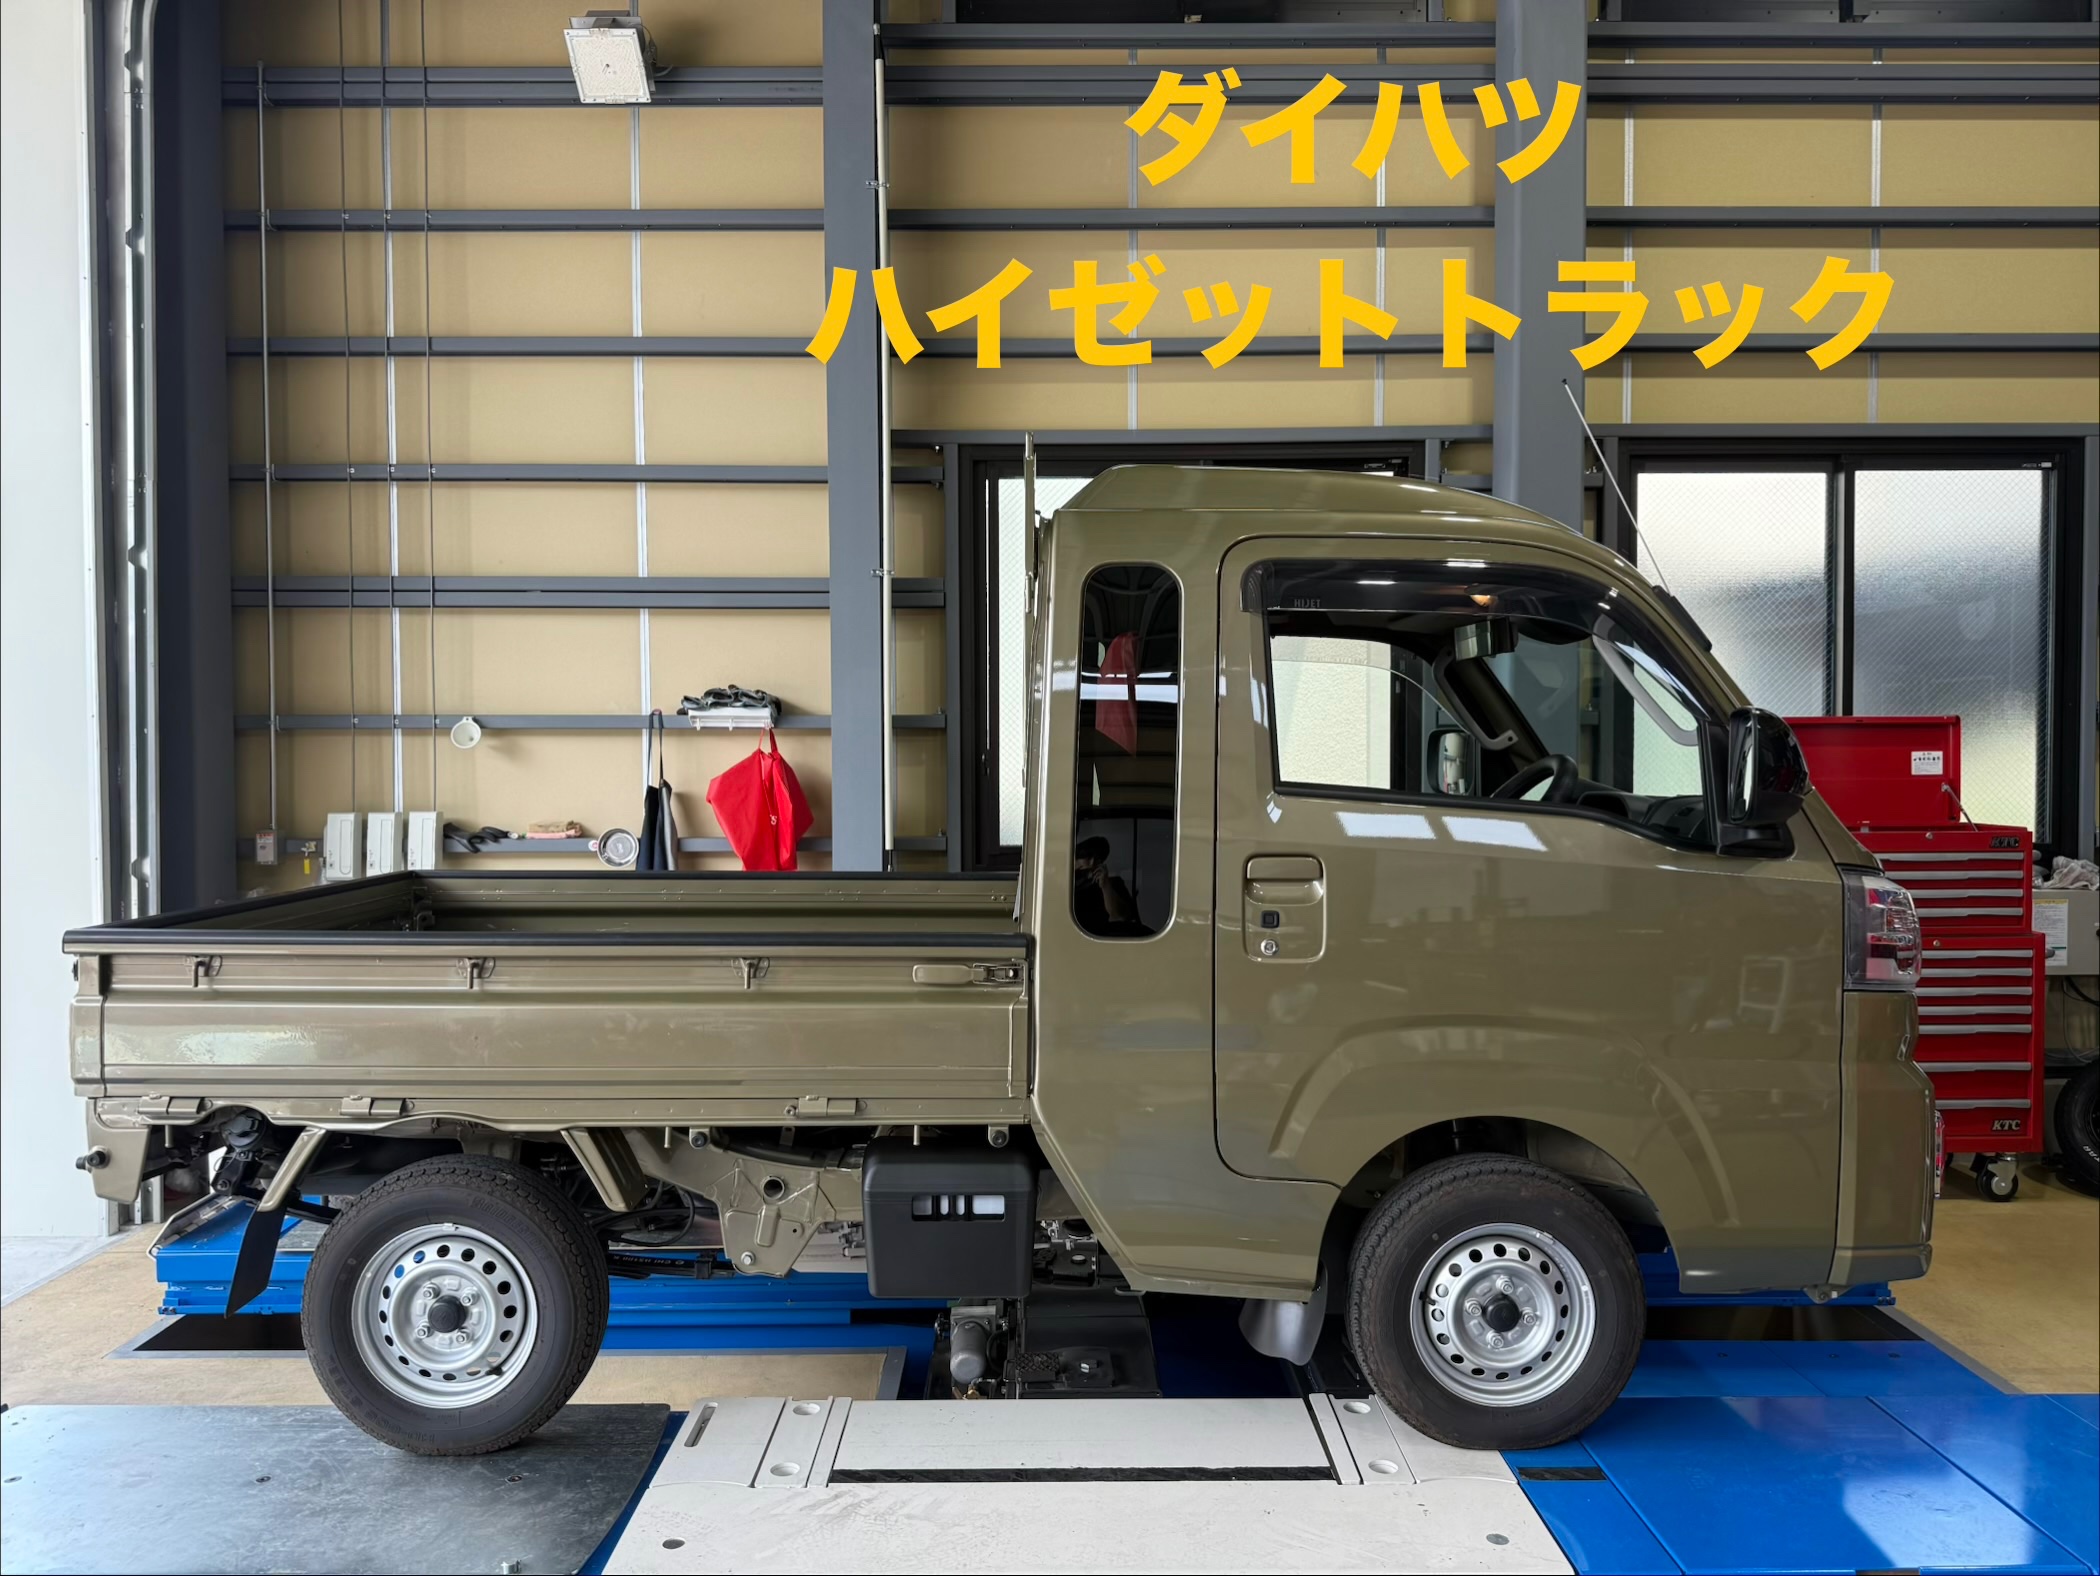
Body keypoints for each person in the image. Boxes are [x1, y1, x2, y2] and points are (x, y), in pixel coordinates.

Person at [1072, 835, 1139, 936]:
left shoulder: (1113, 883)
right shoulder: (1066, 883)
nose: (1092, 863)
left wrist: (1105, 886)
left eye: (1098, 859)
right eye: (1088, 857)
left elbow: (1120, 916)